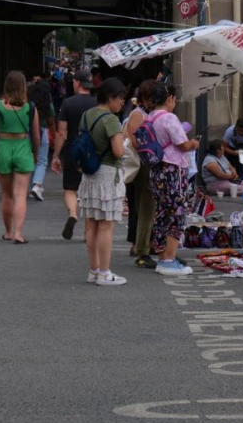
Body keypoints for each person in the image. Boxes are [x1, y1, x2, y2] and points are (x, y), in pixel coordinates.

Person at [80, 79, 128, 286]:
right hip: (108, 175)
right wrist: (124, 144)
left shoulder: (87, 115)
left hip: (89, 174)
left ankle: (94, 270)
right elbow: (118, 151)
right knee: (106, 226)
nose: (122, 103)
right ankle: (105, 272)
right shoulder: (110, 120)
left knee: (91, 224)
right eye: (120, 99)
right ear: (110, 98)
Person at [0, 71, 40, 244]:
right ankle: (18, 233)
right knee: (21, 194)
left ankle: (8, 231)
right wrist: (35, 153)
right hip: (22, 146)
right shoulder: (30, 106)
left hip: (3, 148)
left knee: (7, 195)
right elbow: (36, 135)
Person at [148, 84, 198, 276]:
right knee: (176, 213)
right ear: (169, 99)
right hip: (173, 169)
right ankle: (169, 259)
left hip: (157, 170)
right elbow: (183, 145)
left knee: (161, 213)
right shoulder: (169, 118)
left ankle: (162, 256)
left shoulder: (150, 117)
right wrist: (193, 143)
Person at [51, 69, 97, 240]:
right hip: (93, 150)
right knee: (91, 189)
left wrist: (56, 155)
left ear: (77, 83)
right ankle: (88, 231)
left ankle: (73, 214)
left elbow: (61, 133)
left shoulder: (68, 103)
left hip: (73, 148)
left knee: (71, 188)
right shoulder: (98, 103)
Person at [124, 80, 158, 269]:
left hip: (146, 164)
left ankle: (145, 243)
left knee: (146, 207)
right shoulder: (138, 114)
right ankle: (139, 246)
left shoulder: (148, 113)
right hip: (141, 165)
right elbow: (135, 140)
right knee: (142, 206)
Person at [28, 81, 54, 201]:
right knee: (42, 161)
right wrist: (54, 135)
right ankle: (37, 185)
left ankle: (32, 185)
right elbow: (51, 121)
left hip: (27, 133)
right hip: (42, 131)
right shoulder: (48, 105)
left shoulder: (28, 104)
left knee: (31, 159)